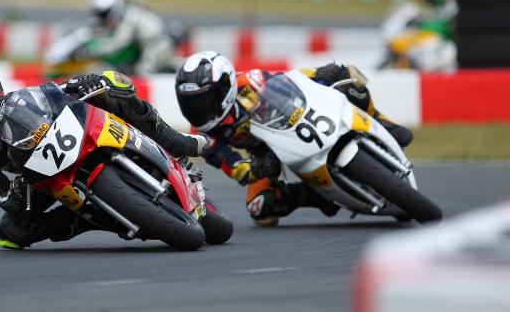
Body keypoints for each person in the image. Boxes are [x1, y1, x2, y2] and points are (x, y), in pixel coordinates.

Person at [0, 66, 208, 249]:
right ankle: (86, 221)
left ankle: (172, 140)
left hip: (66, 134)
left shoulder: (20, 101)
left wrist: (81, 84)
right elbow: (3, 197)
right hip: (37, 178)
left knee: (111, 84)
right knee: (12, 231)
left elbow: (53, 93)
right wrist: (15, 194)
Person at [174, 51, 413, 227]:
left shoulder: (250, 82)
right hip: (264, 152)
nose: (198, 108)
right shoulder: (202, 135)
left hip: (295, 118)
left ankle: (383, 123)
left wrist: (320, 73)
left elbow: (290, 80)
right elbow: (232, 164)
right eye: (191, 102)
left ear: (224, 87)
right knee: (261, 209)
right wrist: (253, 170)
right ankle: (315, 194)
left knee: (349, 82)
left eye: (203, 99)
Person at [84, 0, 177, 75]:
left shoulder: (129, 16)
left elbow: (119, 43)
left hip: (156, 46)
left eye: (103, 14)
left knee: (142, 73)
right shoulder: (124, 12)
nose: (101, 18)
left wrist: (93, 50)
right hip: (143, 46)